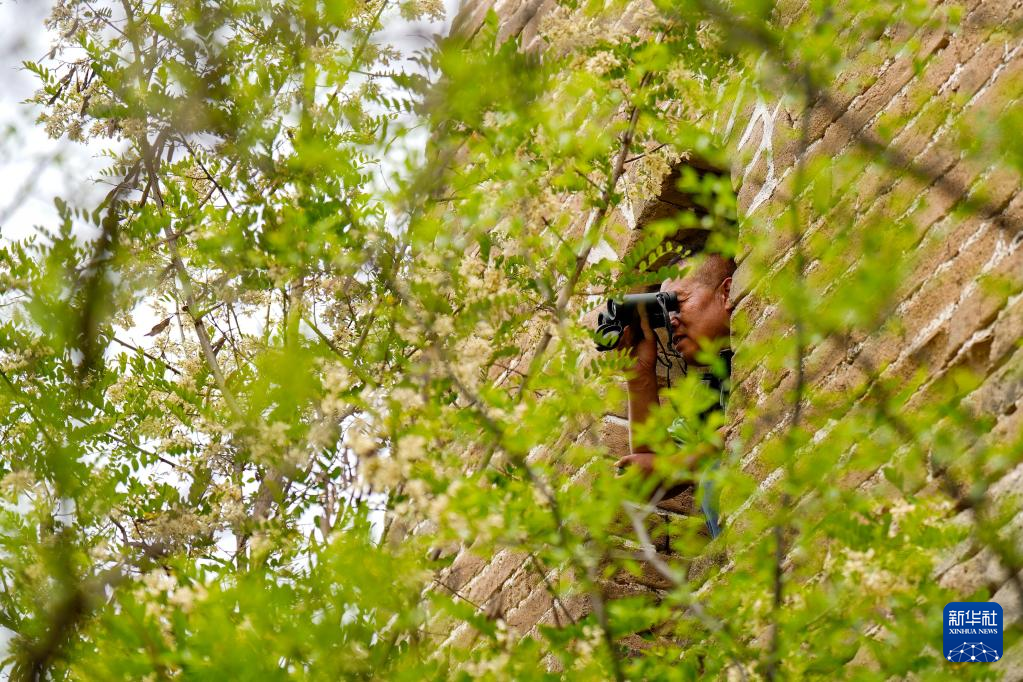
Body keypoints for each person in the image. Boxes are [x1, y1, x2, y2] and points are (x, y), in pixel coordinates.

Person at [614, 252, 735, 539]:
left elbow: (747, 426)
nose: (671, 321)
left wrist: (682, 463)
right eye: (664, 311)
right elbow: (652, 478)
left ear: (727, 293)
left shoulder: (775, 337)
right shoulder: (706, 393)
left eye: (677, 303)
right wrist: (640, 374)